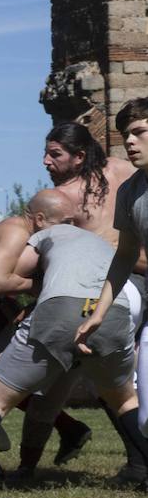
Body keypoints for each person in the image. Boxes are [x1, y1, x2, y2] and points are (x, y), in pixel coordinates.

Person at [0, 221, 148, 498]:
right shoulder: (101, 241)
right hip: (112, 309)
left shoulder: (43, 236)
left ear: (40, 218)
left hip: (61, 309)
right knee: (124, 401)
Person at [78, 98, 148, 438]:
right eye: (125, 136)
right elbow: (124, 257)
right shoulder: (131, 192)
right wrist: (98, 313)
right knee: (146, 420)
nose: (130, 142)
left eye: (139, 132)